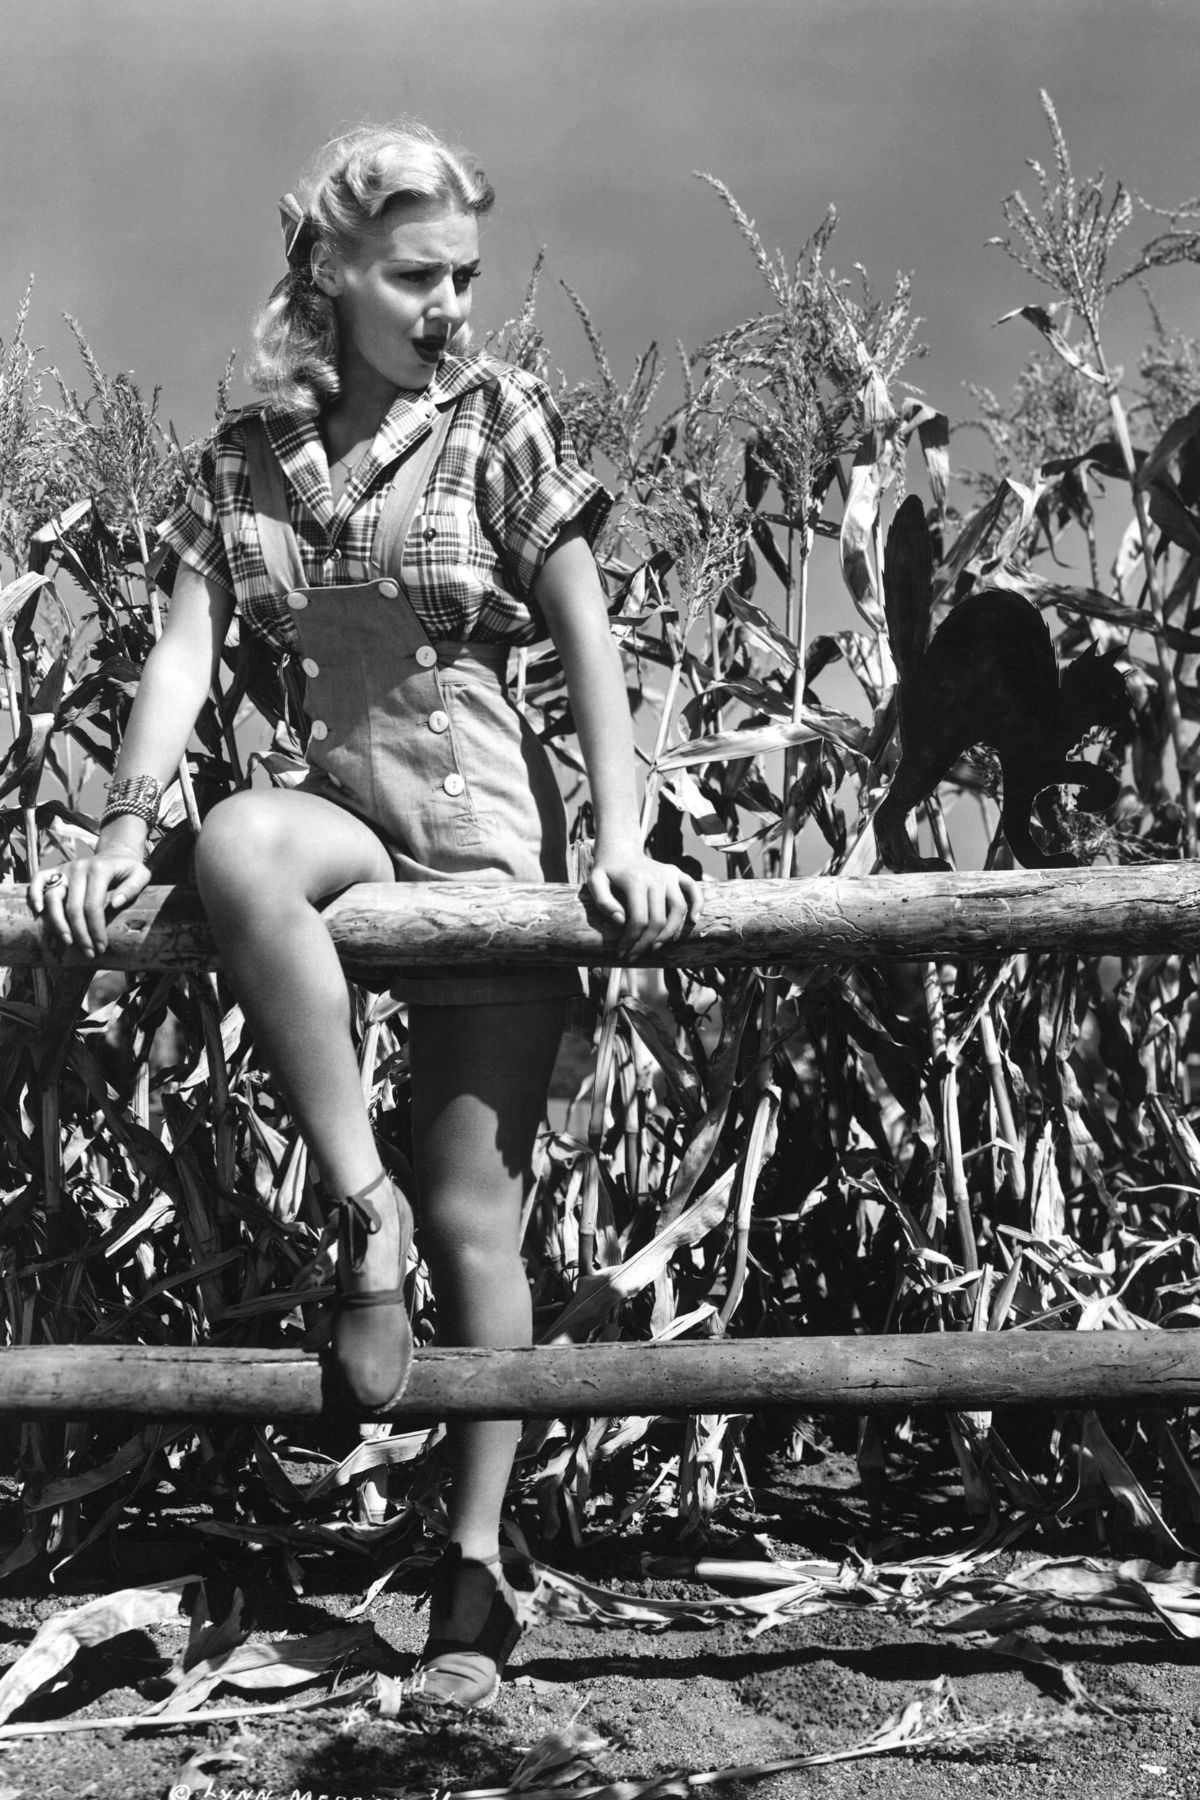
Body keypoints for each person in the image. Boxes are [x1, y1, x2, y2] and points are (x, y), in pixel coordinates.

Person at [27, 122, 701, 1709]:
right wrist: (124, 825)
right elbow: (186, 658)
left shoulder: (499, 420)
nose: (455, 304)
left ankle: (472, 1567)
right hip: (351, 818)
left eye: (466, 273)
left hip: (485, 841)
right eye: (420, 275)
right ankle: (357, 1208)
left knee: (483, 1210)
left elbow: (586, 640)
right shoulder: (252, 449)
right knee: (244, 850)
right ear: (332, 269)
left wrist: (621, 839)